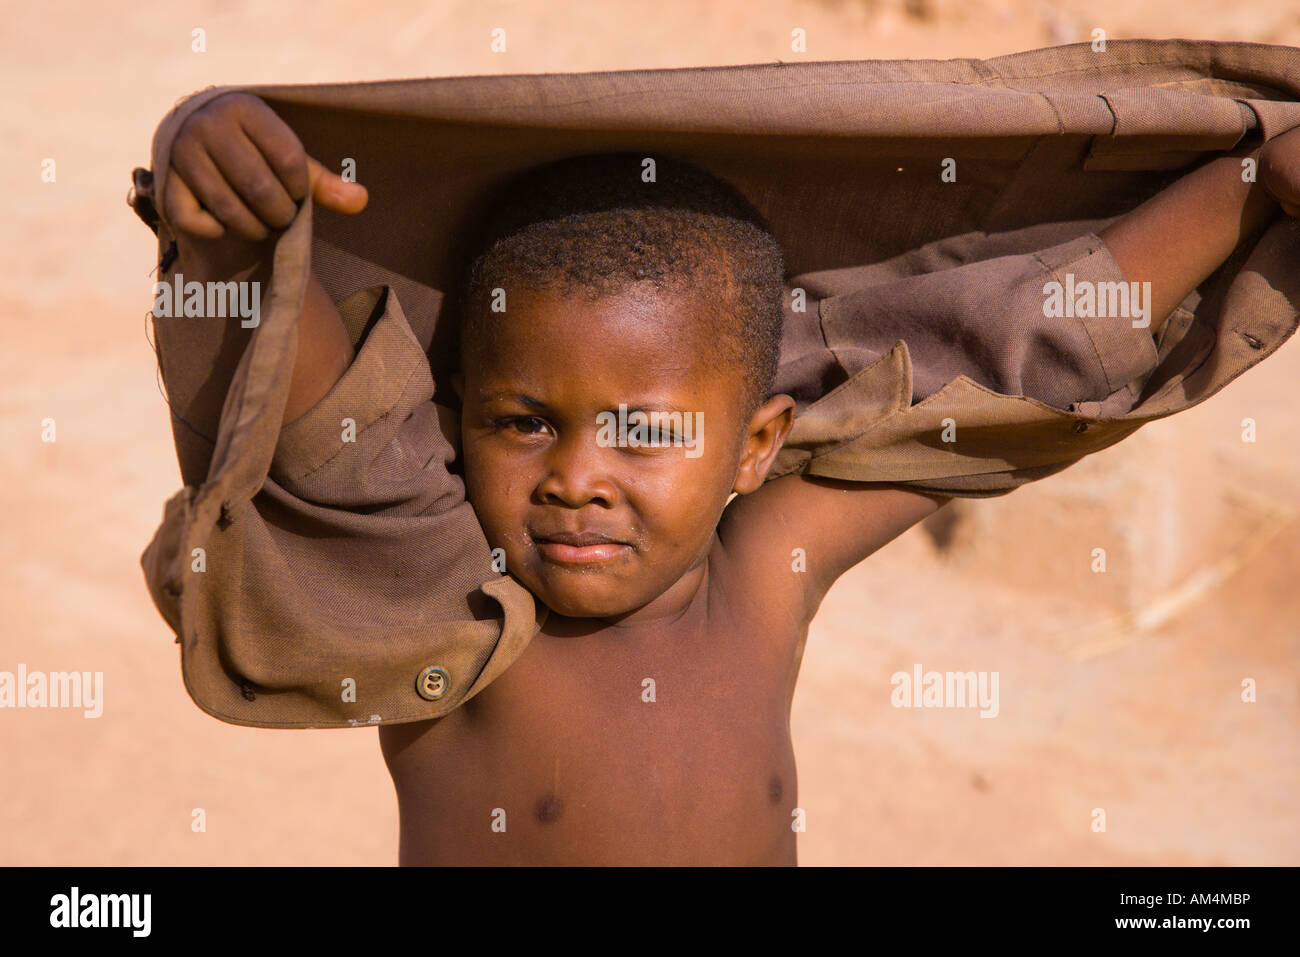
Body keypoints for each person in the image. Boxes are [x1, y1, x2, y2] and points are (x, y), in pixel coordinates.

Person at [159, 91, 1298, 865]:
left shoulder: (767, 576)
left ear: (755, 446)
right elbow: (317, 412)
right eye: (522, 421)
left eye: (641, 433)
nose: (576, 479)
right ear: (461, 419)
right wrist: (210, 174)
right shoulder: (456, 607)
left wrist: (1251, 189)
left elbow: (1014, 367)